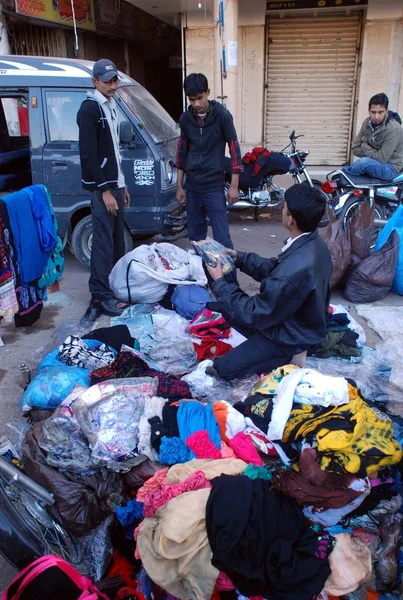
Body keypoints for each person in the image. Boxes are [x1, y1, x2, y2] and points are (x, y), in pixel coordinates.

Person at [205, 183, 332, 380]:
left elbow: (254, 313)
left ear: (290, 218)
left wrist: (220, 281)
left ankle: (290, 355)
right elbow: (275, 269)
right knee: (222, 306)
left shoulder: (294, 269)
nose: (282, 210)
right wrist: (240, 258)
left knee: (222, 369)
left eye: (284, 207)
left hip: (289, 335)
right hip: (295, 319)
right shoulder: (313, 243)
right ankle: (280, 351)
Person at [175, 73, 242, 282]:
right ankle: (202, 280)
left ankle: (231, 285)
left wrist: (234, 185)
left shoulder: (222, 116)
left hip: (214, 186)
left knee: (222, 238)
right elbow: (181, 152)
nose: (196, 104)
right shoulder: (186, 119)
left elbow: (234, 148)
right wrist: (179, 186)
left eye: (200, 98)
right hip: (193, 186)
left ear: (208, 94)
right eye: (191, 99)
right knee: (196, 238)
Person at [77, 58, 130, 322]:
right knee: (103, 244)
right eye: (107, 81)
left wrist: (122, 185)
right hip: (103, 190)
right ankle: (99, 295)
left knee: (118, 243)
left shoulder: (111, 105)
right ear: (95, 81)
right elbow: (89, 155)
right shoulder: (89, 109)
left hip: (115, 186)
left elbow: (115, 153)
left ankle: (114, 290)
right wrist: (106, 190)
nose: (112, 85)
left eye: (115, 80)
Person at [343, 93, 403, 181]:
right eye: (373, 112)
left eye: (380, 112)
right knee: (363, 163)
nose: (376, 116)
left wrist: (365, 146)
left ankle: (343, 176)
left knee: (363, 163)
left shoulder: (393, 128)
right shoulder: (367, 123)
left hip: (391, 168)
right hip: (374, 163)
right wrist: (376, 153)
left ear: (386, 111)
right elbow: (355, 149)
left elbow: (382, 158)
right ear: (369, 111)